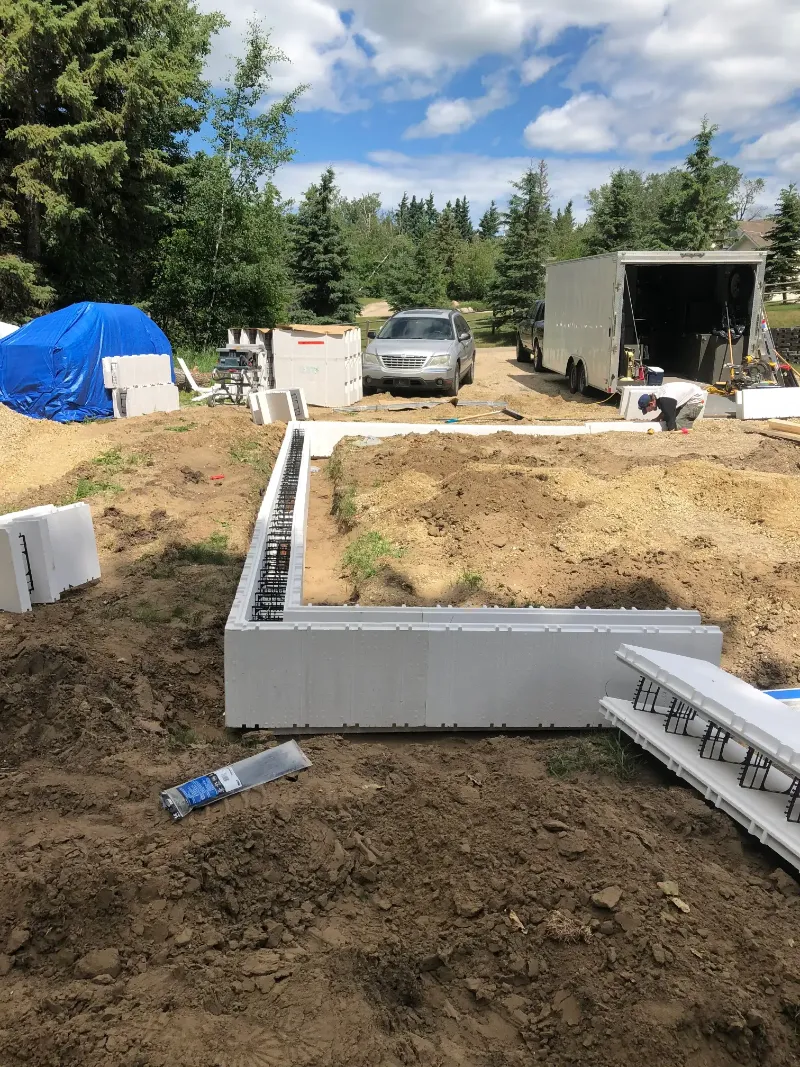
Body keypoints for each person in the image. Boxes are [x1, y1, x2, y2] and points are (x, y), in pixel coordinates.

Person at [637, 381, 707, 431]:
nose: (649, 411)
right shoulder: (659, 396)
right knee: (668, 419)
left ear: (651, 403)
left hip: (695, 398)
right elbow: (667, 410)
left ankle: (686, 434)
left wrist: (671, 430)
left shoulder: (665, 400)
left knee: (679, 422)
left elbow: (670, 416)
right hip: (689, 395)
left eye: (648, 409)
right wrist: (658, 418)